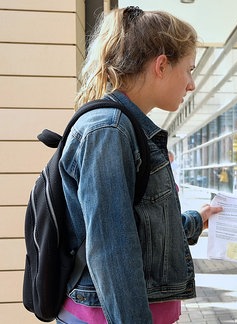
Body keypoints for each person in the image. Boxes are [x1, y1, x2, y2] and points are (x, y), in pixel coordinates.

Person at [58, 7, 222, 323]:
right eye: (190, 69)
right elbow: (111, 249)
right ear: (162, 65)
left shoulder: (124, 127)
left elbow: (138, 226)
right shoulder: (109, 130)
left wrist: (194, 221)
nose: (192, 85)